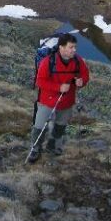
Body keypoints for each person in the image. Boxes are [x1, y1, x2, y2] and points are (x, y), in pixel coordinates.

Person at [27, 34, 90, 163]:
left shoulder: (77, 61)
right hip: (47, 100)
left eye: (75, 47)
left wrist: (81, 81)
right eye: (71, 47)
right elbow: (40, 81)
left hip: (67, 101)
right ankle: (35, 148)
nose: (74, 50)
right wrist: (58, 87)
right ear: (61, 47)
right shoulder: (48, 61)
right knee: (39, 126)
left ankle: (53, 145)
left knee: (60, 125)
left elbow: (85, 75)